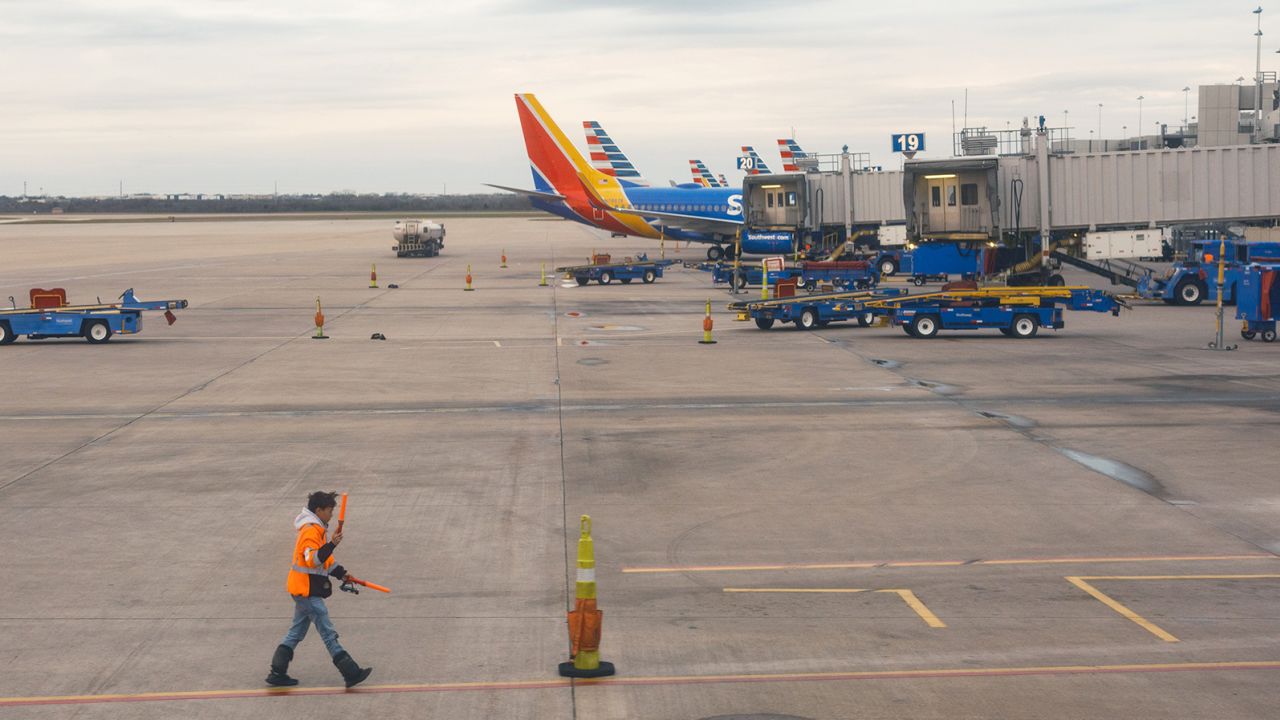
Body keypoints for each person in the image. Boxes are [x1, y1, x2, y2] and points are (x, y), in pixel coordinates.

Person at [266, 491, 373, 688]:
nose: (332, 514)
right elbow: (313, 559)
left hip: (302, 589)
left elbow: (324, 562)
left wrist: (341, 573)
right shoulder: (310, 531)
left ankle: (277, 672)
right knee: (327, 631)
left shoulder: (317, 529)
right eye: (330, 510)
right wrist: (332, 544)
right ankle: (351, 672)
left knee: (296, 631)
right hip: (307, 591)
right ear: (319, 510)